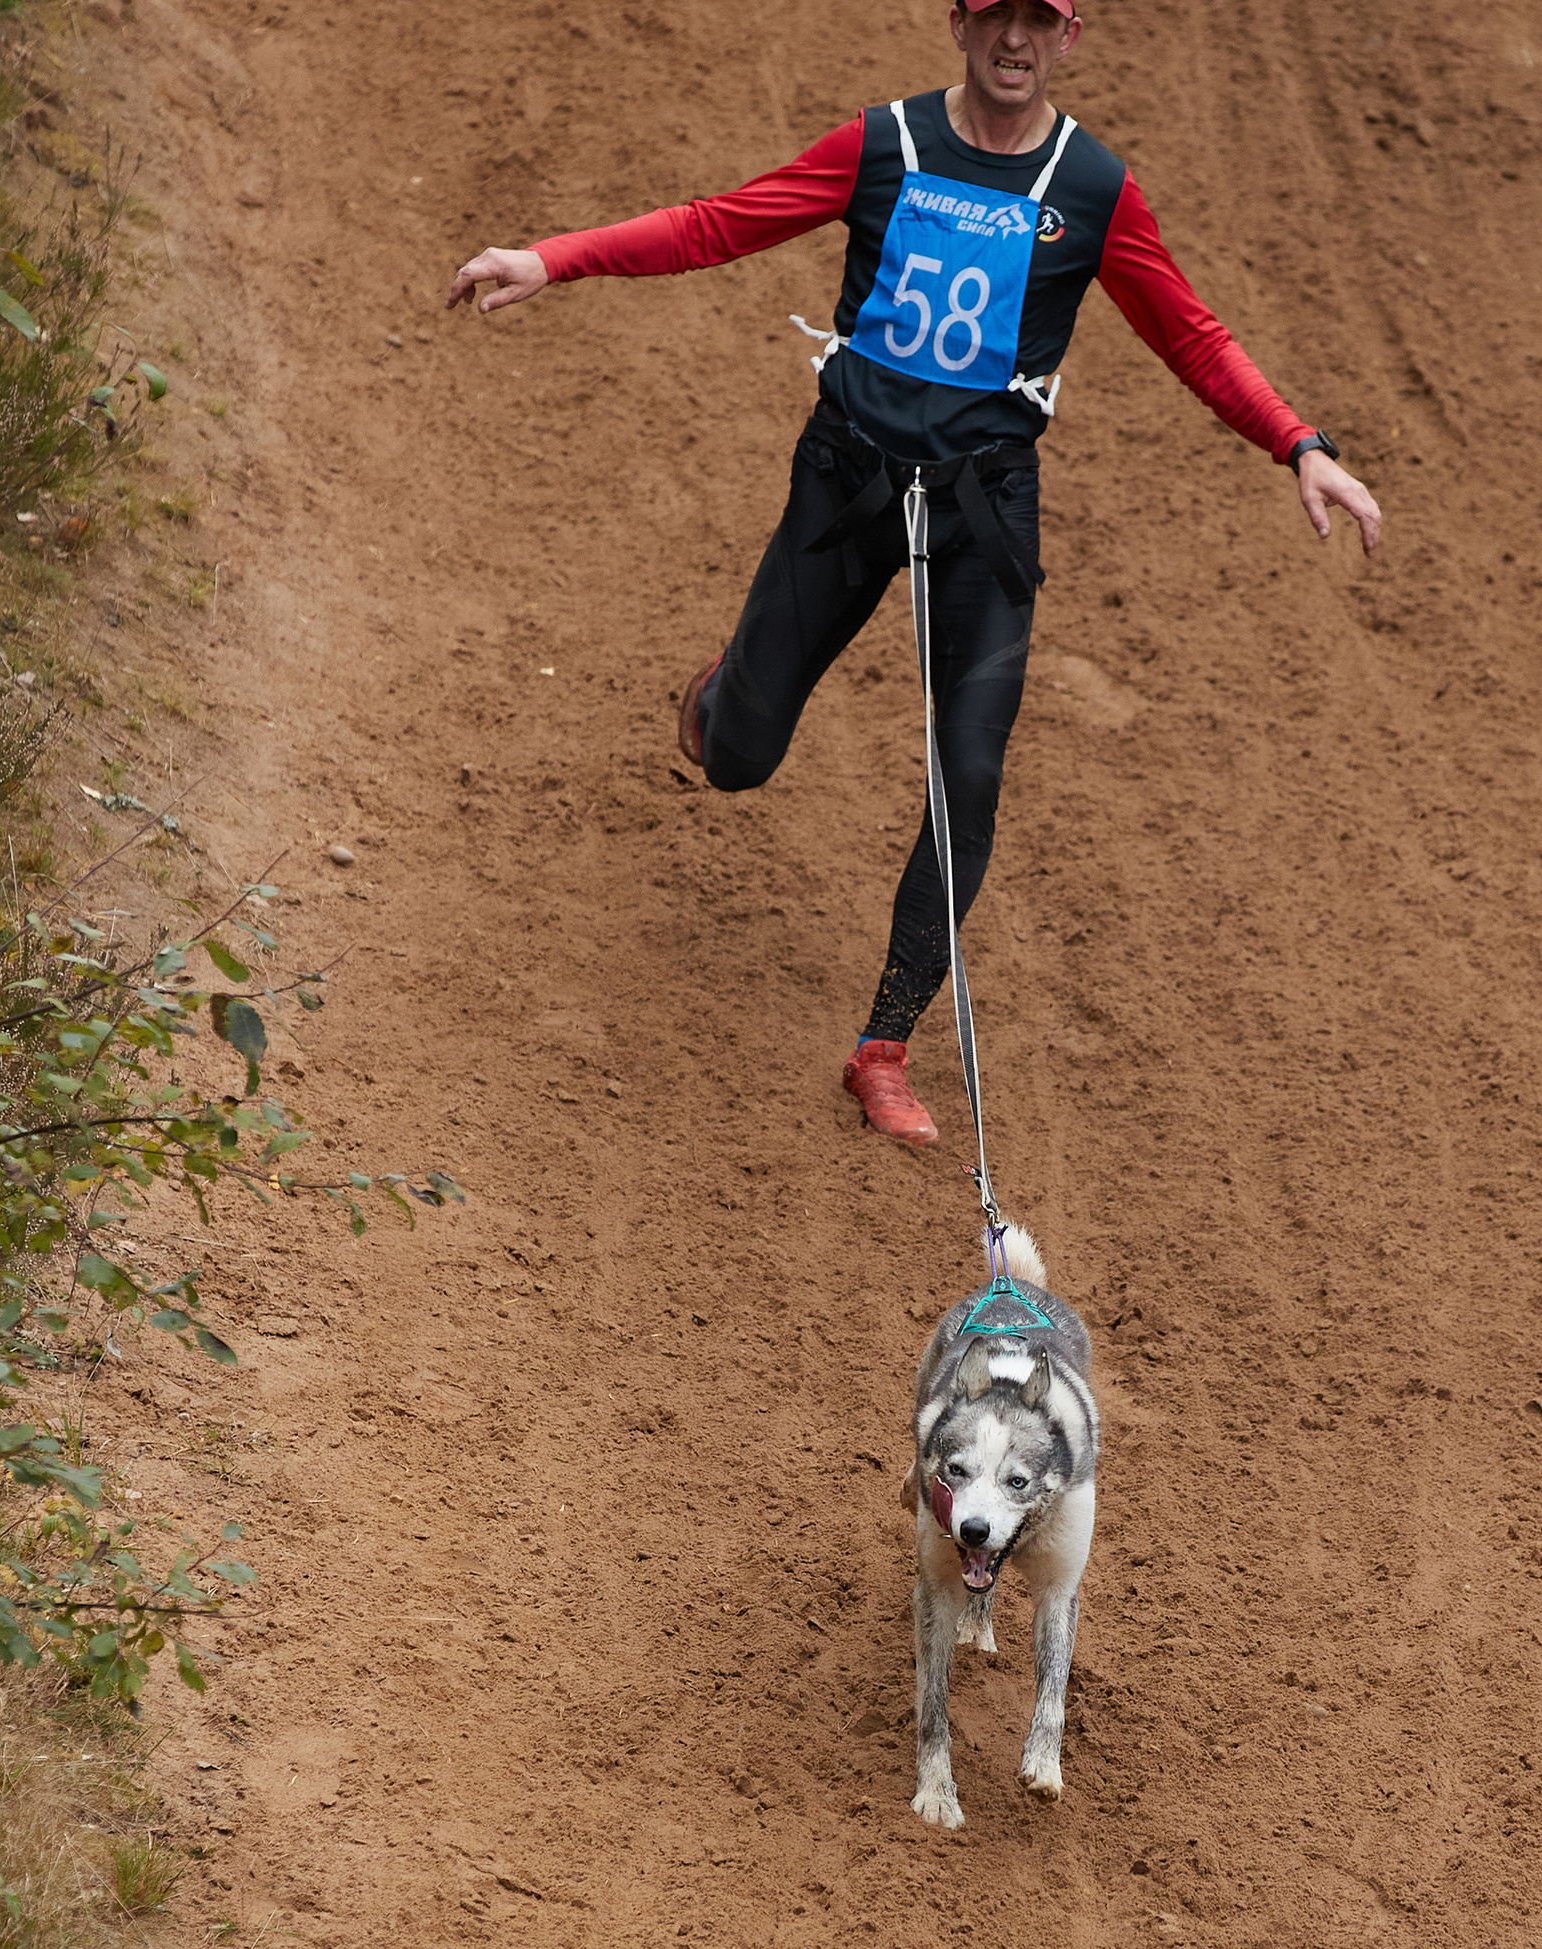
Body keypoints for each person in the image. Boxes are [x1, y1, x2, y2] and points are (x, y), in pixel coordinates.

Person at [449, 0, 1380, 1148]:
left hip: (983, 511)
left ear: (1067, 40)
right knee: (737, 759)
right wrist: (554, 258)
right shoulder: (882, 142)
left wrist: (1301, 444)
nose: (1014, 40)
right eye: (996, 16)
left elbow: (1190, 333)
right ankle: (723, 690)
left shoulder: (1090, 188)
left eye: (1039, 23)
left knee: (970, 772)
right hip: (846, 483)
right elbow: (716, 225)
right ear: (959, 23)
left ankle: (881, 1047)